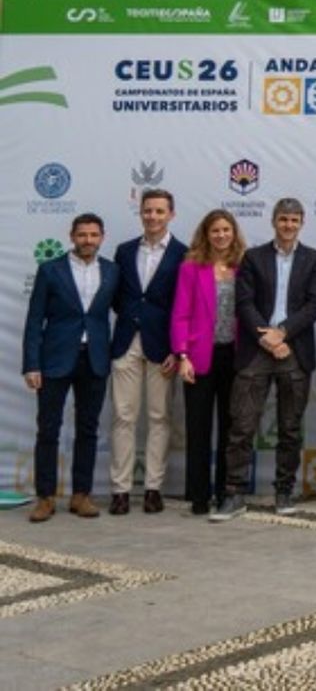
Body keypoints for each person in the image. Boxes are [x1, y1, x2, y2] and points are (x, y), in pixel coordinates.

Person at [212, 198, 316, 521]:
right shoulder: (253, 257)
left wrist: (283, 333)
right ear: (273, 221)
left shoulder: (315, 260)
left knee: (290, 427)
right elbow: (244, 303)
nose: (288, 225)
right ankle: (233, 493)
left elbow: (314, 305)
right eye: (283, 219)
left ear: (302, 222)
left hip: (294, 351)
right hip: (255, 350)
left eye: (294, 220)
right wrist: (266, 337)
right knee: (242, 426)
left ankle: (284, 490)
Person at [22, 213, 118, 523]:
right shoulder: (50, 270)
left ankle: (81, 495)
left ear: (102, 237)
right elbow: (35, 319)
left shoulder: (112, 271)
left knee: (88, 429)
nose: (88, 240)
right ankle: (46, 497)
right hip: (55, 359)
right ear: (72, 236)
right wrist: (31, 364)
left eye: (93, 235)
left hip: (95, 358)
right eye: (82, 235)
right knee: (48, 429)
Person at [107, 188, 187, 516]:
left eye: (159, 211)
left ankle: (153, 488)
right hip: (126, 341)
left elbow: (185, 303)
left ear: (171, 214)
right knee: (123, 417)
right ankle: (120, 490)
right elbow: (115, 295)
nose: (152, 216)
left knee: (159, 417)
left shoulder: (184, 253)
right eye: (147, 211)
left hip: (163, 347)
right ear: (140, 213)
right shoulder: (124, 251)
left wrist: (177, 350)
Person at [170, 210, 244, 516]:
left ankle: (225, 492)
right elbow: (180, 315)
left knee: (231, 429)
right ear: (206, 234)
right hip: (200, 357)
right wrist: (181, 355)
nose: (221, 235)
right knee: (198, 428)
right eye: (215, 230)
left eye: (226, 230)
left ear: (233, 233)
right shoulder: (191, 268)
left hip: (235, 357)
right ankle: (198, 496)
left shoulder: (244, 267)